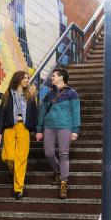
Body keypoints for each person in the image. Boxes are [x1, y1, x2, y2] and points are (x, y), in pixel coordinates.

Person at [36, 67, 80, 199]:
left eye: (54, 75)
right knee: (48, 153)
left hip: (65, 126)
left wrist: (75, 130)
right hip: (49, 126)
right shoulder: (48, 95)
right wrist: (39, 129)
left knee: (63, 154)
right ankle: (59, 171)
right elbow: (42, 113)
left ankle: (63, 183)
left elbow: (75, 112)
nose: (51, 78)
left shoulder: (72, 93)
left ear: (61, 77)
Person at [0, 71, 37, 200]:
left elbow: (35, 114)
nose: (27, 80)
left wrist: (36, 130)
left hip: (23, 128)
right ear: (18, 79)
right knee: (8, 156)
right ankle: (17, 178)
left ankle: (18, 189)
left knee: (21, 159)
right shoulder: (7, 95)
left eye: (28, 78)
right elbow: (1, 115)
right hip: (10, 128)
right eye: (24, 78)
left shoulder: (29, 96)